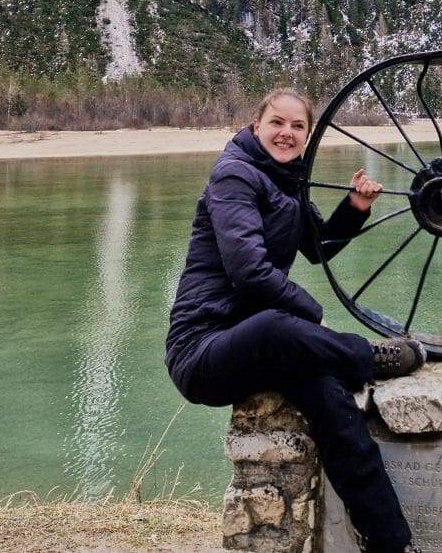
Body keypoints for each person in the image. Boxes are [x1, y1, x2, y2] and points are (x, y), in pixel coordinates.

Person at [165, 87, 426, 552]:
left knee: (330, 397)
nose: (286, 133)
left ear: (307, 135)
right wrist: (315, 314)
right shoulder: (234, 175)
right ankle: (368, 355)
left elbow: (318, 247)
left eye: (298, 126)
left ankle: (390, 540)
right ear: (255, 125)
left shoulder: (288, 182)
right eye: (277, 123)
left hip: (264, 345)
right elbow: (248, 273)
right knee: (277, 325)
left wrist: (356, 207)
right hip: (203, 349)